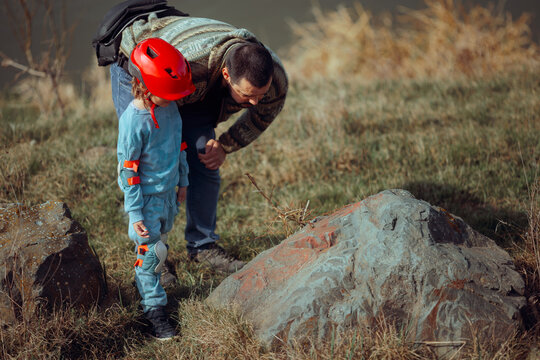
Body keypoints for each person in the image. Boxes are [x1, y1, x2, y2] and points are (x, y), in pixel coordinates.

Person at [110, 14, 288, 273]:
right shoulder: (192, 66)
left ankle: (203, 246)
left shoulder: (274, 76)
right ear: (226, 75)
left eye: (261, 94)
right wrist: (172, 165)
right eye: (248, 95)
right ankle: (153, 257)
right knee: (151, 162)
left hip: (196, 87)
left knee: (206, 155)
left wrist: (224, 146)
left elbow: (263, 116)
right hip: (143, 68)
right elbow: (160, 131)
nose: (255, 102)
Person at [117, 37, 195, 340]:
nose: (174, 98)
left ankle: (148, 280)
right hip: (146, 199)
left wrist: (184, 181)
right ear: (146, 85)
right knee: (151, 253)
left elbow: (179, 146)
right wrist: (134, 209)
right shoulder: (134, 121)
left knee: (161, 247)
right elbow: (129, 170)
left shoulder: (170, 108)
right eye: (169, 93)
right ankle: (154, 310)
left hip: (168, 194)